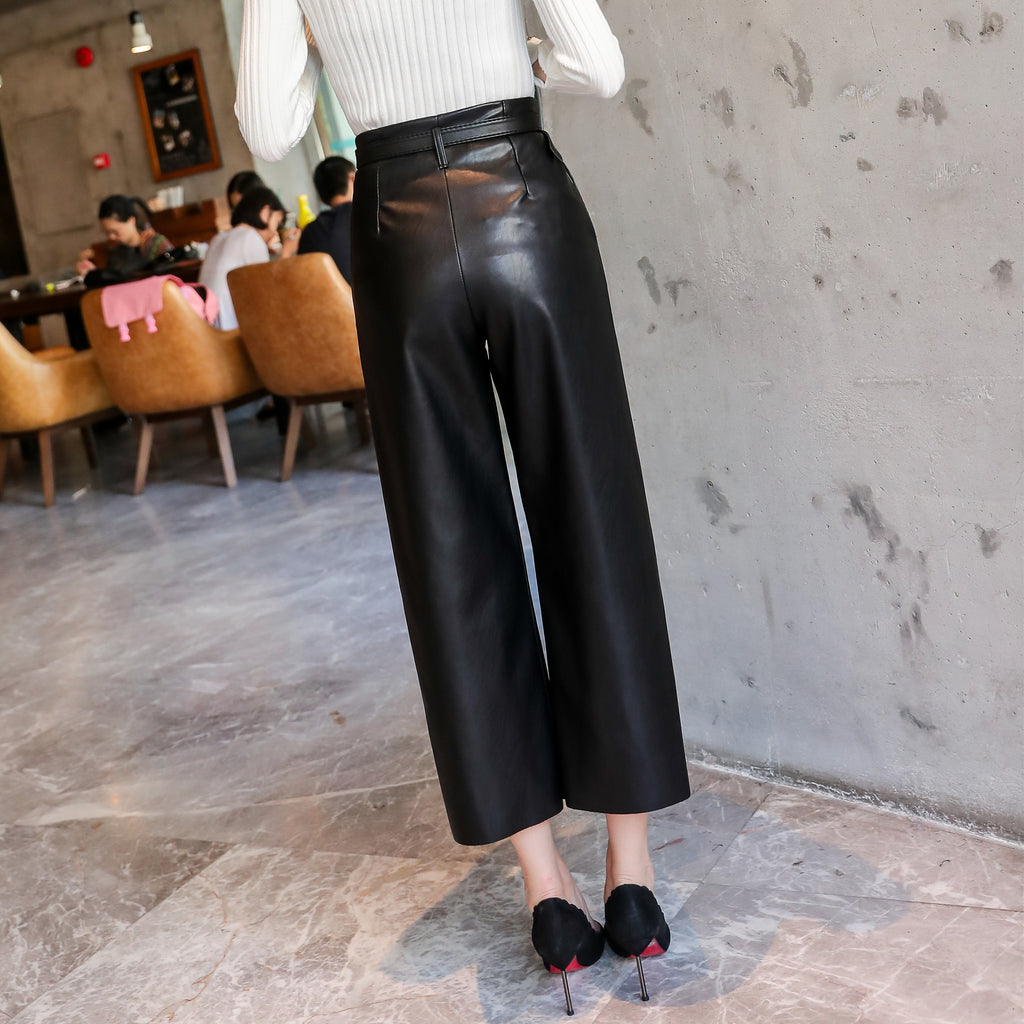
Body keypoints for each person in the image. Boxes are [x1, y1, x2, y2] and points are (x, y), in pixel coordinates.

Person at [236, 0, 690, 1011]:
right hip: (523, 195)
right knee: (594, 524)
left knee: (453, 555)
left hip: (395, 235)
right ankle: (630, 879)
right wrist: (515, 57)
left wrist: (333, 49)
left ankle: (547, 891)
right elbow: (598, 67)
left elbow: (269, 129)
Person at [199, 185, 299, 330]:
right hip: (229, 326)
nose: (274, 232)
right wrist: (287, 252)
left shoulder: (219, 237)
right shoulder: (251, 237)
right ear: (265, 213)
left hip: (207, 326)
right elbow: (270, 292)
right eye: (277, 223)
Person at [75, 195, 173, 277]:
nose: (111, 237)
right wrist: (91, 273)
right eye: (106, 232)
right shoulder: (112, 249)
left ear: (131, 221)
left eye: (115, 232)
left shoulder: (156, 244)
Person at [297, 156, 355, 283]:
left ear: (321, 199)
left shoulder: (310, 232)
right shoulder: (372, 213)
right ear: (353, 179)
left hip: (328, 296)